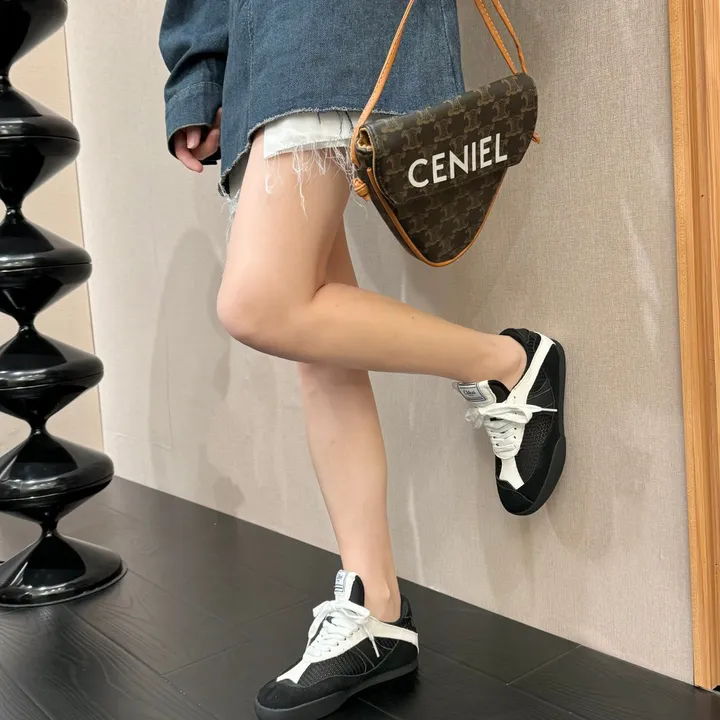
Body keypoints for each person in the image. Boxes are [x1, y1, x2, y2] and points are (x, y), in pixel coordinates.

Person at [160, 2, 566, 718]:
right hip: (264, 45)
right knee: (316, 339)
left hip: (322, 28)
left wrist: (199, 70)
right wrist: (202, 74)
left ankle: (506, 364)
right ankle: (375, 605)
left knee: (259, 304)